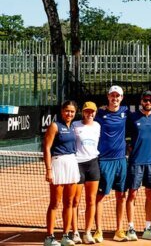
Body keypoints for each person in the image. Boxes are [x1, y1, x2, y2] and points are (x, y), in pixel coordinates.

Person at [124, 91, 151, 240]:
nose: (148, 102)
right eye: (145, 100)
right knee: (132, 194)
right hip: (135, 162)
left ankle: (148, 227)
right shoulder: (132, 116)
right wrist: (129, 145)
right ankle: (131, 228)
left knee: (150, 194)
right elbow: (126, 133)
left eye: (150, 100)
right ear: (141, 101)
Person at [94, 85, 130, 242]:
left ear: (121, 98)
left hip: (121, 160)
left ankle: (119, 229)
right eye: (112, 95)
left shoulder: (126, 112)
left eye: (118, 96)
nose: (115, 98)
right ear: (108, 97)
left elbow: (147, 114)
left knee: (121, 195)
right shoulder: (99, 113)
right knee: (100, 196)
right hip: (104, 161)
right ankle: (98, 230)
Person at [43, 100, 80, 246]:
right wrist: (49, 170)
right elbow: (46, 148)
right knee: (55, 203)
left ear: (75, 113)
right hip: (58, 163)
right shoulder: (54, 126)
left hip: (72, 163)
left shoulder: (73, 127)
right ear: (61, 111)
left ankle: (65, 235)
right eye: (66, 111)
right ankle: (49, 237)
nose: (69, 114)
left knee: (69, 202)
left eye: (72, 111)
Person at [71, 102, 101, 244]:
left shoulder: (98, 126)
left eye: (92, 111)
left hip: (93, 164)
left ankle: (87, 232)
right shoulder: (75, 125)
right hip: (77, 165)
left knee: (91, 200)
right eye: (87, 111)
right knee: (75, 201)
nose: (90, 114)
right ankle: (75, 232)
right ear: (82, 112)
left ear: (95, 113)